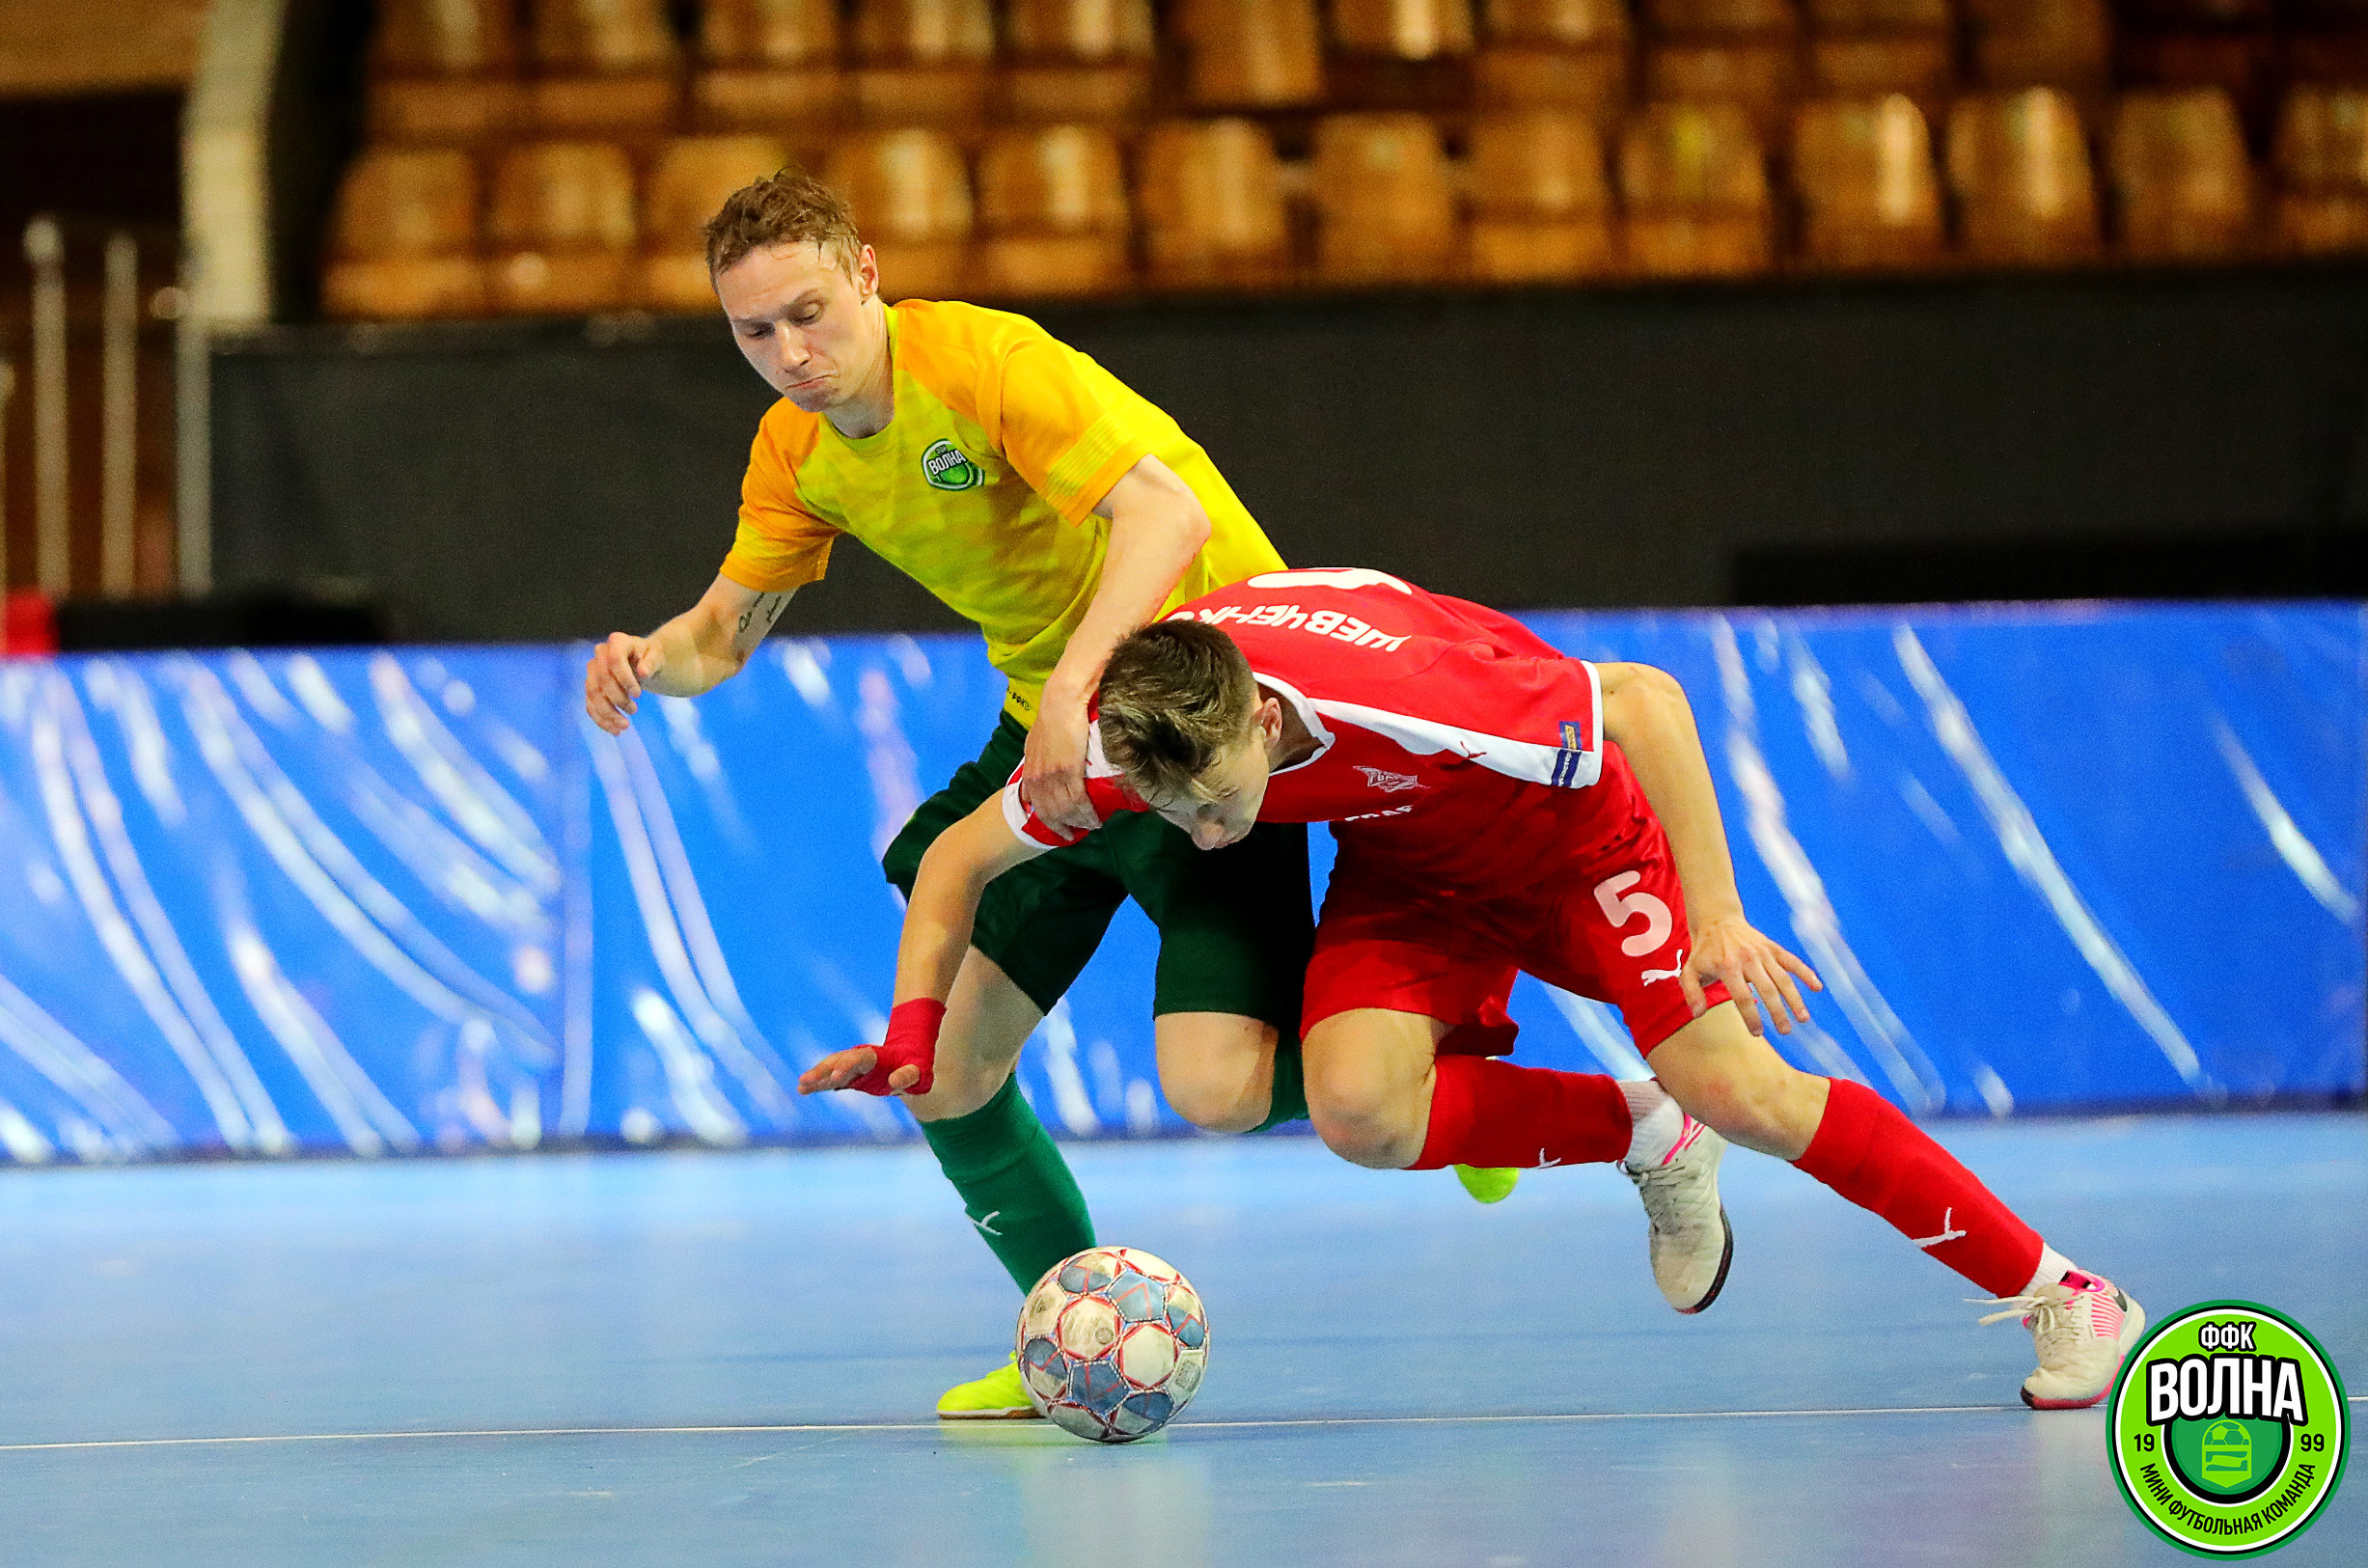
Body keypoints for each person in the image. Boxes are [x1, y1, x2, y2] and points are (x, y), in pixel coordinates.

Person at [582, 175, 1489, 1421]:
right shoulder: (796, 451)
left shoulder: (987, 363)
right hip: (1052, 729)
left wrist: (1077, 689)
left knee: (1221, 1094)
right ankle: (1070, 1332)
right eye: (754, 332)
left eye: (809, 313)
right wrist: (652, 660)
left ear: (866, 274)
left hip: (1193, 712)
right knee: (946, 1075)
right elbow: (722, 635)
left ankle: (1434, 1063)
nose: (790, 354)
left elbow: (1165, 515)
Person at [825, 566, 2146, 1410]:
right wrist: (914, 1031)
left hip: (1578, 847)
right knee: (1357, 1112)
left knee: (1741, 1088)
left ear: (1268, 723)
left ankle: (2068, 1293)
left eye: (1224, 806)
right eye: (1185, 820)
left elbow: (1645, 701)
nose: (1213, 839)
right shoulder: (1145, 746)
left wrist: (1716, 914)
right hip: (1414, 870)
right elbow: (954, 862)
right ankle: (1642, 1133)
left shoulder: (1419, 699)